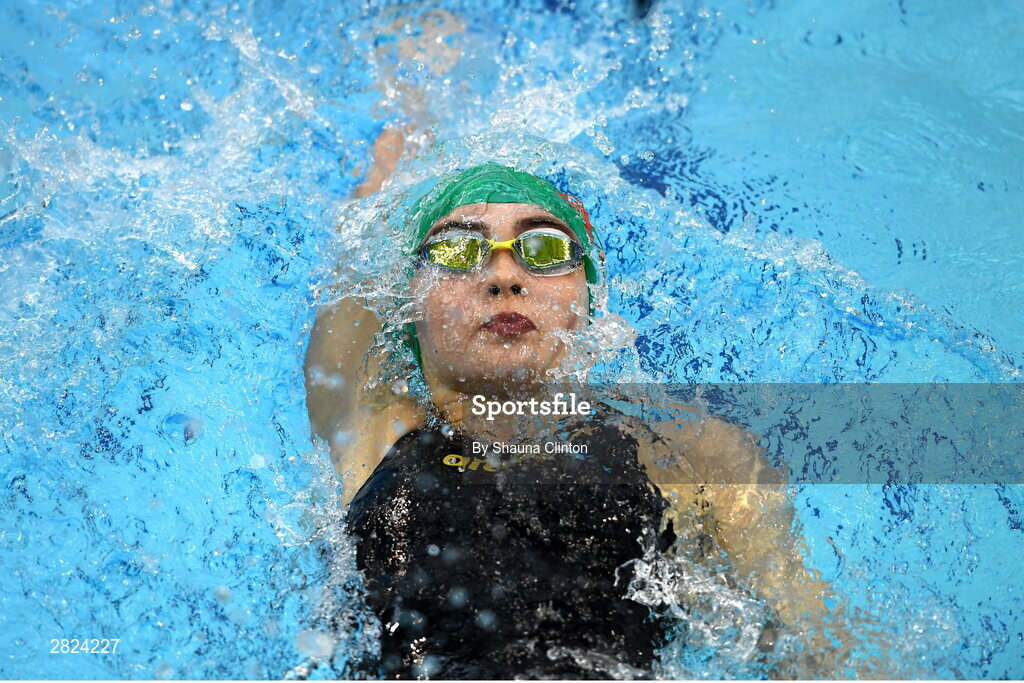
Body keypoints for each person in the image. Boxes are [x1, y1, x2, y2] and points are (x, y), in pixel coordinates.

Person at [305, 157, 848, 678]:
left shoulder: (687, 452)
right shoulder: (378, 426)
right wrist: (403, 124)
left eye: (543, 248)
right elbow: (351, 268)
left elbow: (807, 640)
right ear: (408, 302)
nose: (503, 275)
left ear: (586, 294)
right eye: (456, 249)